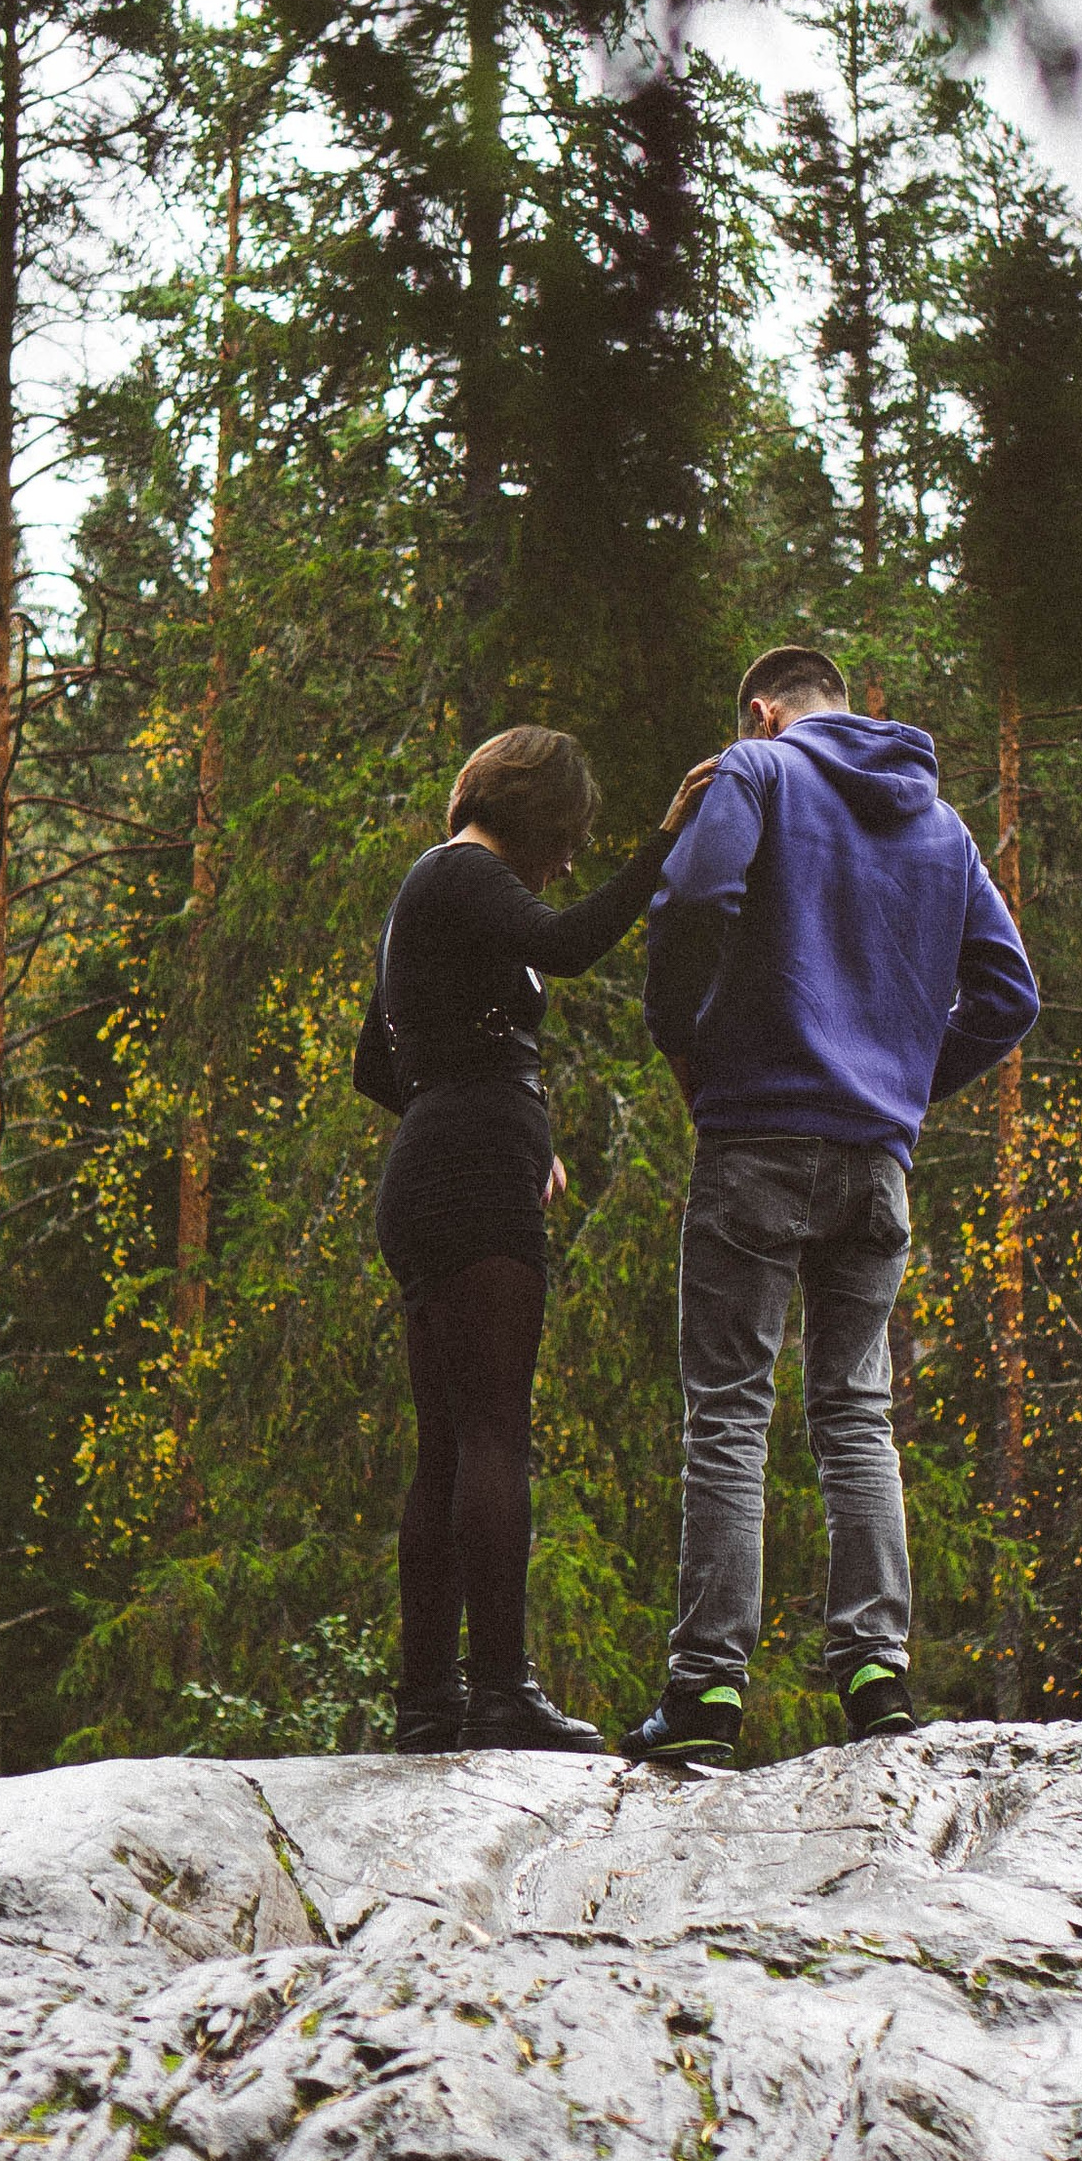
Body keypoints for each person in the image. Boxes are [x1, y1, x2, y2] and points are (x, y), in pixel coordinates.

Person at [628, 645, 1040, 1770]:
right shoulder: (942, 826)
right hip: (876, 1160)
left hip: (757, 1131)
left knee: (729, 1410)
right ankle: (874, 1674)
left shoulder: (757, 775)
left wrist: (684, 1038)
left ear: (763, 714)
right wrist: (903, 1079)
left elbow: (698, 893)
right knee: (854, 1411)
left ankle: (708, 1692)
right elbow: (1009, 995)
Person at [356, 723, 718, 1755]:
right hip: (470, 1179)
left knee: (445, 1446)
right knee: (492, 1435)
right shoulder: (464, 873)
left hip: (436, 1172)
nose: (569, 862)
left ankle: (430, 1701)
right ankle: (500, 1693)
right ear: (533, 811)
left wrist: (475, 1115)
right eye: (568, 838)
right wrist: (666, 842)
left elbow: (373, 1066)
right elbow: (567, 943)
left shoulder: (428, 897)